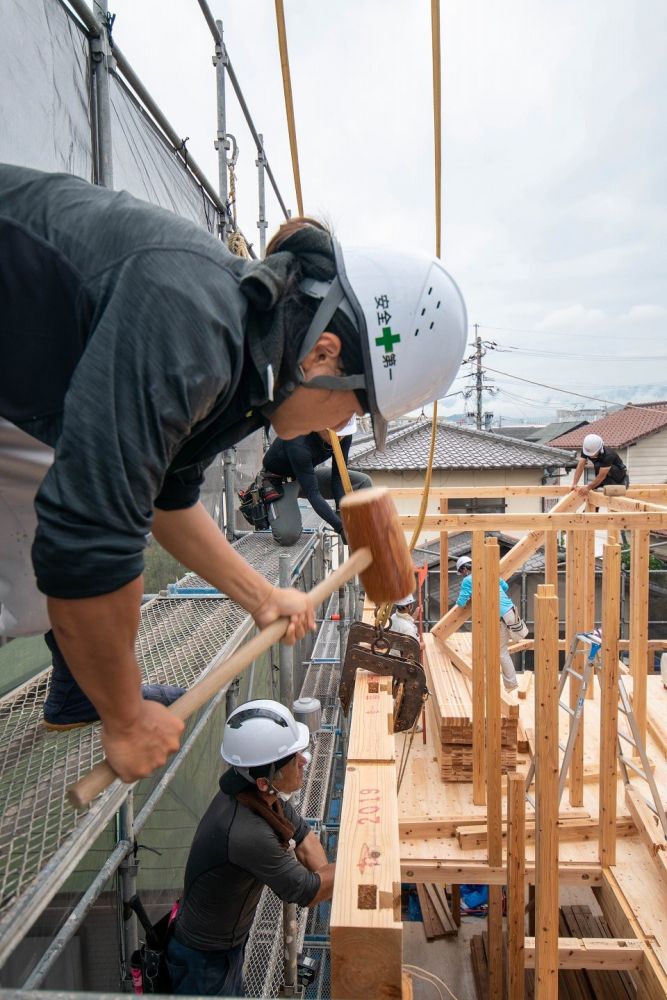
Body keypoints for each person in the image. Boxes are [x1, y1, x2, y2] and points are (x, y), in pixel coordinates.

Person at [0, 163, 467, 782]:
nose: (343, 423)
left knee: (39, 580)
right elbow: (86, 539)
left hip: (22, 396)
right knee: (70, 546)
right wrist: (126, 718)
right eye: (355, 404)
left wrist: (261, 596)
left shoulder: (254, 377)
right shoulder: (192, 320)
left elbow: (168, 499)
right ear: (324, 354)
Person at [166, 699, 334, 997]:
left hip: (226, 945)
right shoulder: (245, 831)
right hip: (204, 961)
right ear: (263, 781)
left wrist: (326, 874)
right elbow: (305, 891)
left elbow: (305, 839)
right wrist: (364, 864)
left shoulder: (260, 799)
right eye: (293, 758)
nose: (304, 761)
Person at [257, 415, 372, 545]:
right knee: (287, 536)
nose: (340, 439)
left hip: (307, 474)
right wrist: (340, 528)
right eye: (336, 435)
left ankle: (365, 537)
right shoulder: (298, 440)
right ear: (320, 426)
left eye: (343, 435)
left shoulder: (343, 436)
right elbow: (313, 493)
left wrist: (342, 514)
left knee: (363, 482)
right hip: (280, 481)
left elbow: (338, 476)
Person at [455, 556, 518, 692]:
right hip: (511, 611)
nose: (463, 575)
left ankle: (511, 685)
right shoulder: (488, 572)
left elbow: (461, 602)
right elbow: (505, 586)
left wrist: (472, 594)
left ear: (465, 569)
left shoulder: (467, 580)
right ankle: (494, 680)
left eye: (462, 572)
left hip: (500, 616)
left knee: (501, 652)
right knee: (495, 647)